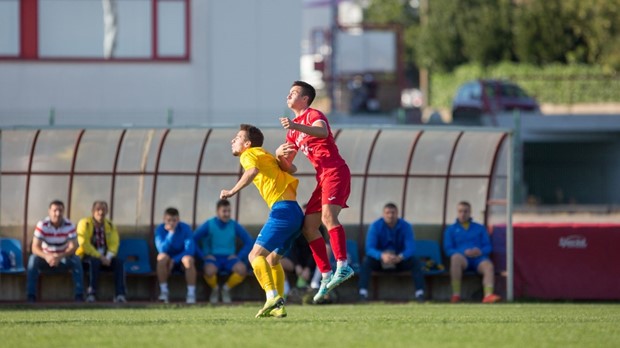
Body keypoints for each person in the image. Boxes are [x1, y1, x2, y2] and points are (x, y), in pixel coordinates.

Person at [276, 80, 354, 303]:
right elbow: (289, 166)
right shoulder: (293, 132)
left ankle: (343, 265)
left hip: (335, 171)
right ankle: (327, 275)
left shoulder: (312, 115)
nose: (288, 96)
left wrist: (295, 126)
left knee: (329, 217)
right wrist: (279, 154)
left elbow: (322, 131)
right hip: (322, 178)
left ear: (305, 99)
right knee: (309, 226)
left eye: (293, 93)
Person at [220, 124, 304, 318]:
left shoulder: (248, 155)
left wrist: (231, 191)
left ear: (247, 144)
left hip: (282, 211)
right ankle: (279, 306)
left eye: (237, 137)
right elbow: (293, 169)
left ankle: (271, 297)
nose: (233, 140)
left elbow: (251, 172)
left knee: (253, 256)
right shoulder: (264, 154)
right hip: (294, 212)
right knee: (273, 259)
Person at [358, 203, 426, 302]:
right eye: (387, 213)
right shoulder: (375, 226)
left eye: (393, 213)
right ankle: (362, 294)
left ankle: (420, 294)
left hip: (399, 261)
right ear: (383, 214)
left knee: (415, 262)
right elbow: (369, 248)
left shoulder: (406, 226)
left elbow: (410, 248)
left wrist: (400, 257)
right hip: (380, 261)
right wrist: (381, 255)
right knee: (366, 261)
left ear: (397, 213)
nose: (390, 215)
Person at [194, 199, 253, 304]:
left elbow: (249, 241)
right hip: (213, 259)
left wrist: (239, 257)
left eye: (229, 211)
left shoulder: (234, 225)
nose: (227, 214)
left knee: (242, 269)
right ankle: (215, 289)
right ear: (217, 211)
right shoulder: (209, 224)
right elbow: (193, 240)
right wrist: (203, 256)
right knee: (209, 271)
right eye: (224, 211)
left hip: (229, 258)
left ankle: (225, 289)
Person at [443, 201, 501, 303]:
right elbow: (448, 249)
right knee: (455, 258)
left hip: (478, 259)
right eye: (460, 211)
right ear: (457, 213)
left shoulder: (480, 228)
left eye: (466, 211)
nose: (463, 214)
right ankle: (456, 295)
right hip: (463, 259)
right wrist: (463, 252)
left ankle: (488, 295)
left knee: (488, 266)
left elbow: (488, 246)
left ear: (470, 213)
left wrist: (480, 251)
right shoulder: (451, 230)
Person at [26, 200, 84, 302]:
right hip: (45, 260)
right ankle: (31, 296)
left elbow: (73, 246)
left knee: (76, 260)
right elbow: (34, 248)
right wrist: (47, 256)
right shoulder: (42, 225)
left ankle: (79, 296)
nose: (57, 213)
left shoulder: (69, 225)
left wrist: (59, 256)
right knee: (32, 260)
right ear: (49, 211)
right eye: (55, 210)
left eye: (60, 210)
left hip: (62, 260)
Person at [76, 200, 126, 303]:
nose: (101, 212)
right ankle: (91, 294)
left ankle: (120, 294)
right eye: (98, 209)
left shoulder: (110, 225)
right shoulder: (84, 223)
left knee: (119, 262)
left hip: (105, 258)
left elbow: (114, 243)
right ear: (92, 211)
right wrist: (100, 256)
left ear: (107, 211)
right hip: (87, 257)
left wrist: (108, 257)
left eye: (103, 210)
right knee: (94, 262)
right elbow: (84, 244)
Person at [154, 207, 197, 304]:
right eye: (169, 220)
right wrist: (171, 233)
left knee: (188, 260)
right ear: (164, 219)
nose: (172, 223)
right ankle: (164, 292)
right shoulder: (160, 230)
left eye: (174, 220)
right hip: (167, 263)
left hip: (181, 261)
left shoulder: (185, 228)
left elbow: (190, 250)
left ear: (178, 219)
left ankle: (191, 293)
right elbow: (162, 249)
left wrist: (175, 260)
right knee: (161, 257)